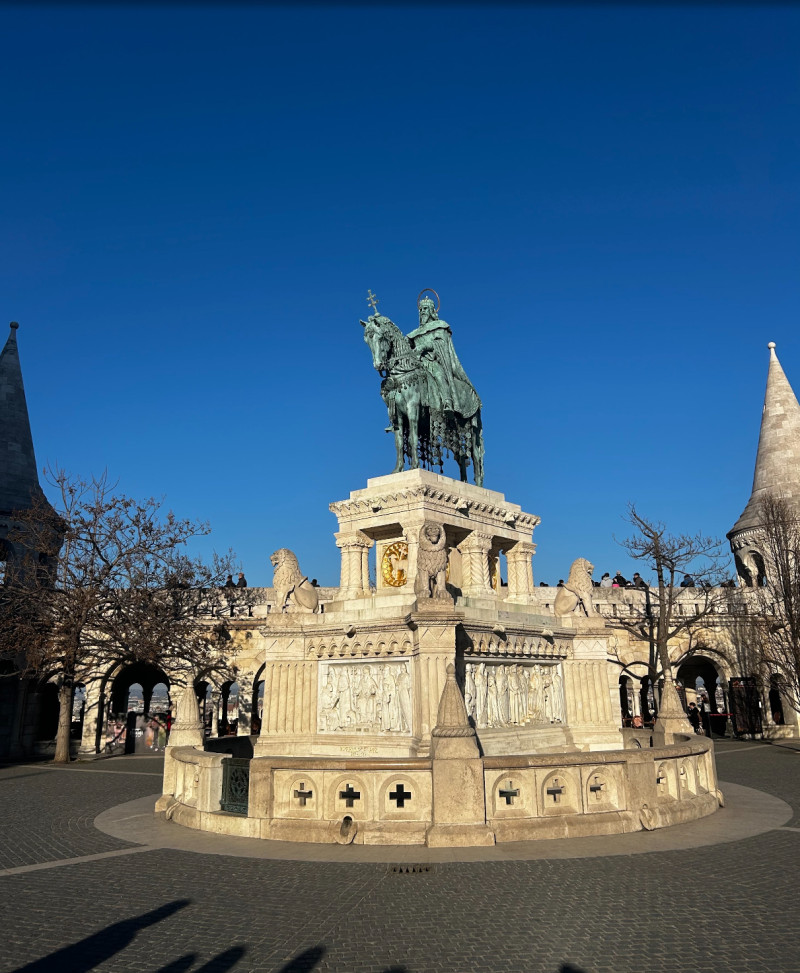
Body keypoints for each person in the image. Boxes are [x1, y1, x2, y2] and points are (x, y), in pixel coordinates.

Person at [407, 297, 481, 418]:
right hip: (417, 363)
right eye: (420, 310)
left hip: (433, 362)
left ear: (432, 310)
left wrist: (424, 346)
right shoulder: (413, 333)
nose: (422, 312)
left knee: (439, 374)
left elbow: (441, 344)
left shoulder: (440, 326)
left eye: (425, 309)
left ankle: (448, 402)